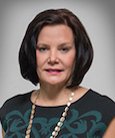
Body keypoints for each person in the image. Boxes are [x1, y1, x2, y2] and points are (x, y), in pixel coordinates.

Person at [0, 8, 115, 138]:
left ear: (78, 54)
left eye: (64, 49)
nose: (53, 59)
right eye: (43, 49)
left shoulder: (105, 112)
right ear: (32, 53)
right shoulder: (11, 110)